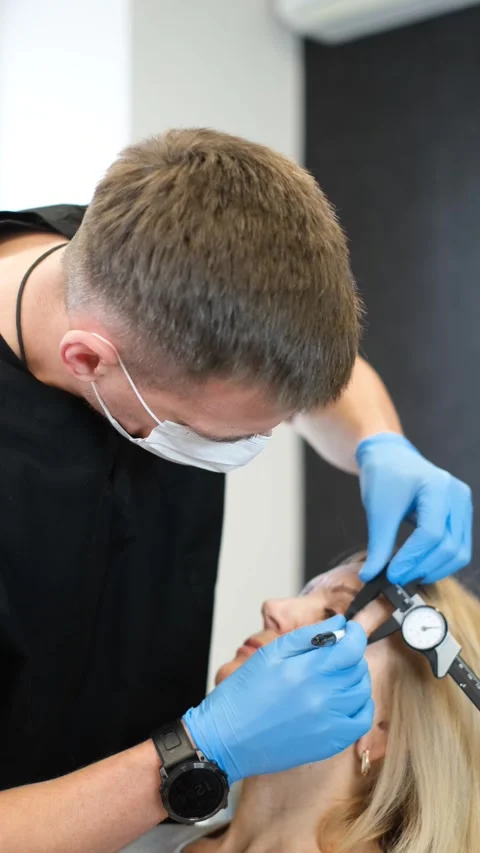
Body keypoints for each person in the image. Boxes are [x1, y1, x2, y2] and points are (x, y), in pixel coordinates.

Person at [0, 128, 472, 851]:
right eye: (233, 435)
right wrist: (192, 751)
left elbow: (317, 380)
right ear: (90, 359)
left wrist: (381, 439)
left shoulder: (155, 255)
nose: (274, 604)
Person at [124, 552, 480, 853]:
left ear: (384, 729)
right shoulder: (138, 837)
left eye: (330, 613)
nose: (273, 607)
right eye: (304, 593)